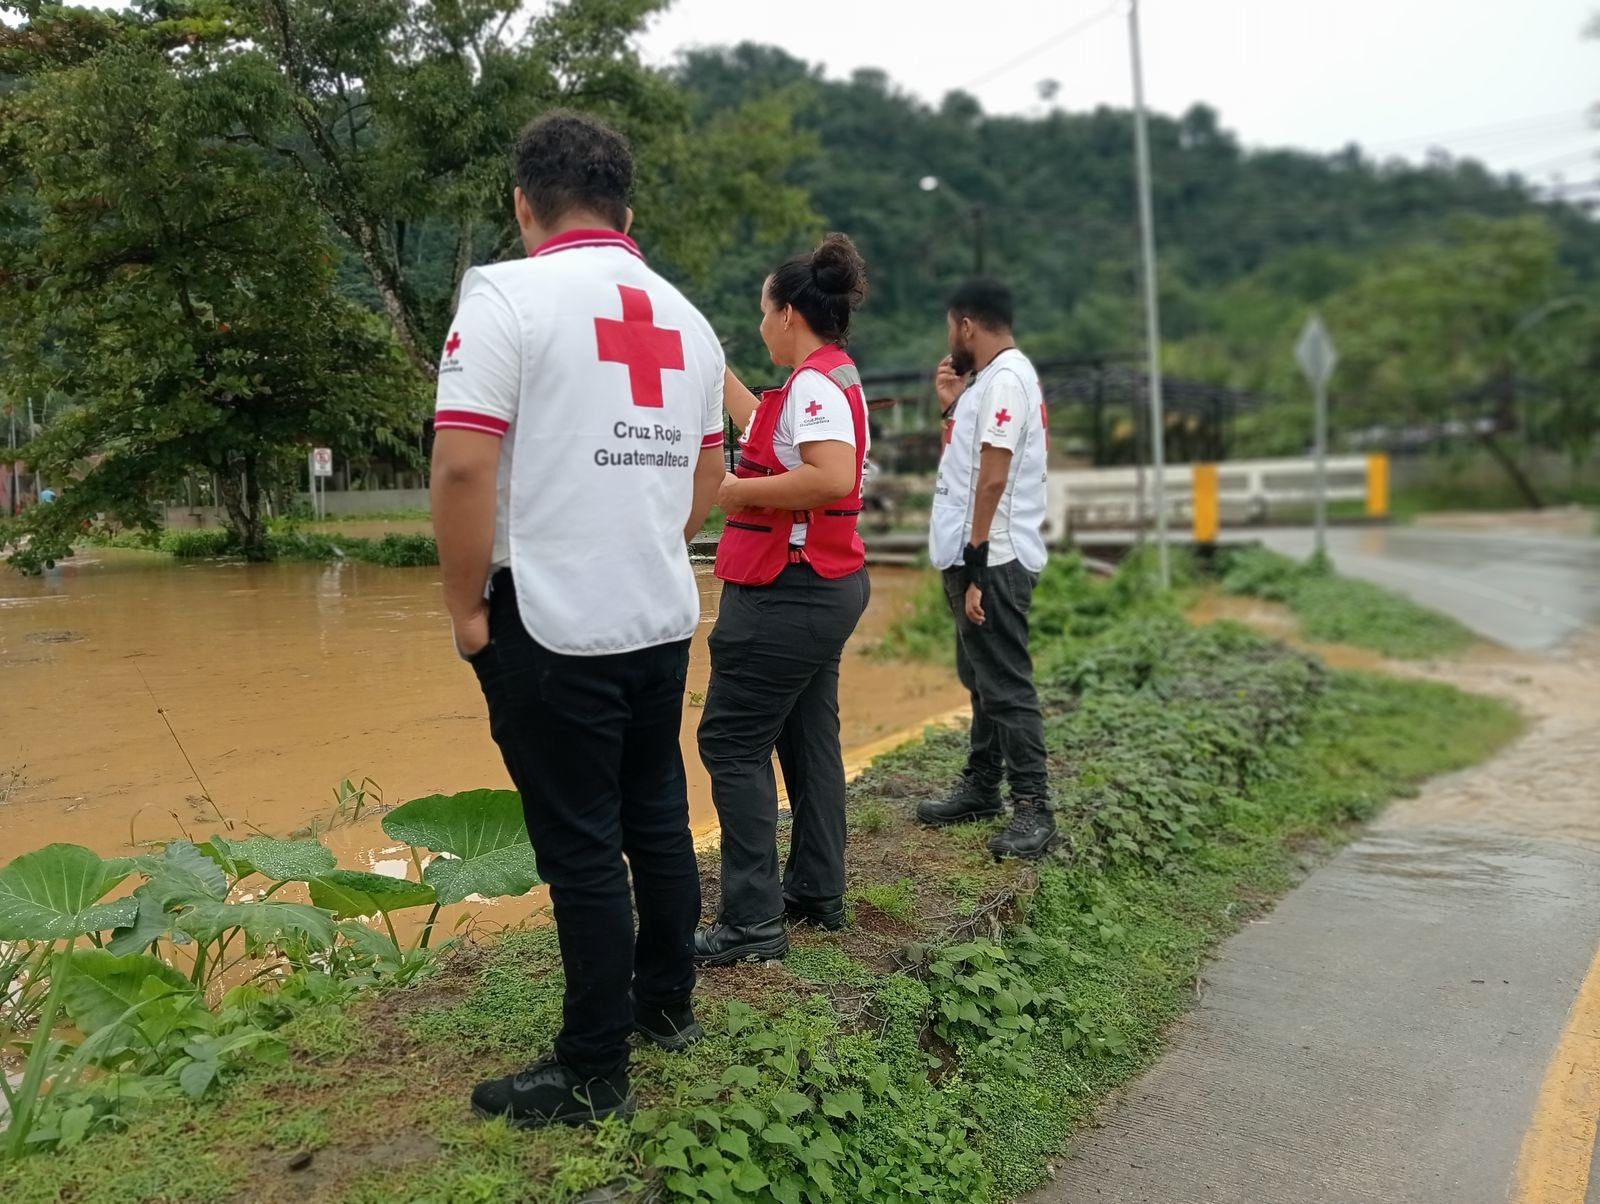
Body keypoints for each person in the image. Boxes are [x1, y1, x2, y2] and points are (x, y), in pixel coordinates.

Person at [429, 110, 726, 1128]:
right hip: (657, 614)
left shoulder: (503, 296)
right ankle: (667, 1005)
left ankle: (594, 1066)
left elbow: (465, 463)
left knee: (582, 849)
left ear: (523, 203)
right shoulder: (688, 321)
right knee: (655, 815)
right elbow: (709, 475)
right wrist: (644, 533)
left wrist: (466, 607)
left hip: (549, 625)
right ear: (627, 207)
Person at [694, 234, 872, 966]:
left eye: (763, 310)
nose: (761, 322)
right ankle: (816, 891)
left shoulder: (811, 386)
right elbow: (765, 429)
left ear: (789, 312)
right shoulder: (827, 376)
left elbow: (832, 475)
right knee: (807, 737)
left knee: (730, 745)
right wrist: (713, 369)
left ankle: (751, 926)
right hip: (824, 586)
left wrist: (732, 491)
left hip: (785, 590)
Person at [915, 278, 1055, 860]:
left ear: (967, 324)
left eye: (953, 328)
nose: (952, 339)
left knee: (1005, 683)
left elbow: (993, 477)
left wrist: (974, 565)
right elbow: (971, 463)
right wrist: (952, 403)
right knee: (982, 679)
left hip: (992, 558)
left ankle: (1034, 807)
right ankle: (982, 786)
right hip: (981, 553)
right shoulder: (990, 384)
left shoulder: (1004, 380)